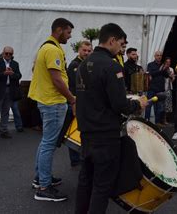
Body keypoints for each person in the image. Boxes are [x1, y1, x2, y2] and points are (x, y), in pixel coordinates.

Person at [74, 23, 148, 214]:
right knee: (102, 186)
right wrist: (138, 104)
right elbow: (120, 105)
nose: (121, 49)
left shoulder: (82, 64)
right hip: (105, 135)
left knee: (85, 181)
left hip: (86, 132)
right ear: (112, 40)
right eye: (121, 44)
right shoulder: (111, 65)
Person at [29, 18, 76, 202]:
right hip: (53, 103)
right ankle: (44, 188)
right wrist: (71, 99)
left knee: (45, 142)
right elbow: (57, 79)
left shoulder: (45, 47)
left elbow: (35, 69)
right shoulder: (52, 49)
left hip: (47, 101)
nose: (70, 36)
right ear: (59, 30)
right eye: (68, 32)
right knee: (49, 144)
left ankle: (40, 178)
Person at [66, 40, 92, 167]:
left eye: (89, 51)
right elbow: (74, 87)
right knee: (74, 130)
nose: (86, 53)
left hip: (85, 103)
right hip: (76, 102)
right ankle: (75, 160)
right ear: (79, 50)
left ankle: (80, 157)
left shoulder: (87, 64)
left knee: (81, 130)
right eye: (84, 50)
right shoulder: (74, 65)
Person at [0, 46, 22, 140]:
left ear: (12, 55)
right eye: (6, 53)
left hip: (10, 90)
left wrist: (12, 74)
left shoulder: (15, 64)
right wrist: (4, 73)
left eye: (10, 54)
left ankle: (3, 130)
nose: (8, 55)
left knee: (5, 112)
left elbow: (19, 75)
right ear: (3, 53)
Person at [146, 50, 169, 124]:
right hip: (152, 89)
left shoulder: (163, 65)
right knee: (148, 106)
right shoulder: (150, 65)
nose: (159, 57)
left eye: (160, 55)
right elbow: (151, 74)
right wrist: (161, 70)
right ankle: (147, 123)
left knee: (159, 108)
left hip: (160, 89)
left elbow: (166, 76)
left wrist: (165, 69)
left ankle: (156, 124)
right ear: (154, 56)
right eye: (158, 55)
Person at [163, 57, 175, 124]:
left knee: (168, 105)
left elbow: (172, 80)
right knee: (163, 105)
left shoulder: (171, 69)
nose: (168, 63)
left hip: (169, 88)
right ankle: (162, 119)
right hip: (163, 88)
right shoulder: (162, 68)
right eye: (167, 62)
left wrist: (172, 77)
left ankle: (166, 119)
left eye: (169, 62)